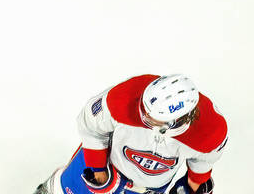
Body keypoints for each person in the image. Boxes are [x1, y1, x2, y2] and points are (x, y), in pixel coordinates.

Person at [34, 74, 227, 194]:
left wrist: (193, 186)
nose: (142, 114)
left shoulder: (212, 131)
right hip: (105, 167)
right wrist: (99, 173)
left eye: (153, 118)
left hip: (149, 188)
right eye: (145, 109)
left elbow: (202, 163)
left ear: (178, 120)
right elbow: (90, 126)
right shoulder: (124, 96)